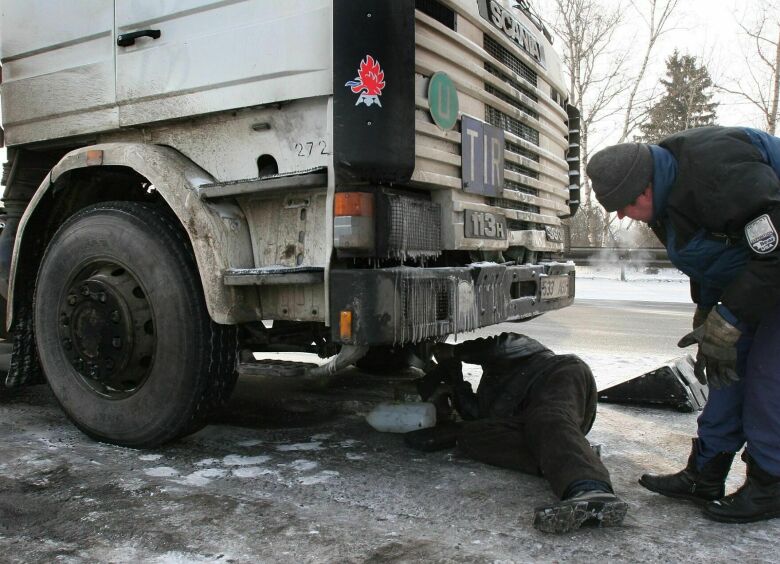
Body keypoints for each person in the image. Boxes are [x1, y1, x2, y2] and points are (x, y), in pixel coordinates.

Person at [587, 126, 780, 523]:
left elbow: (774, 247)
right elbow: (713, 254)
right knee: (724, 369)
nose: (622, 216)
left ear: (643, 190)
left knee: (768, 375)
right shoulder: (668, 195)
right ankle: (705, 474)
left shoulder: (720, 172)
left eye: (622, 206)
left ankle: (770, 486)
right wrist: (710, 310)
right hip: (759, 273)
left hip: (776, 261)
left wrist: (731, 315)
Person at [406, 332, 628, 534]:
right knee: (470, 436)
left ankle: (591, 490)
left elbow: (500, 345)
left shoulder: (520, 351)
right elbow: (477, 416)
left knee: (547, 416)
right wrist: (453, 376)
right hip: (530, 423)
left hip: (558, 379)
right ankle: (577, 454)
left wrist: (456, 352)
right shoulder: (486, 393)